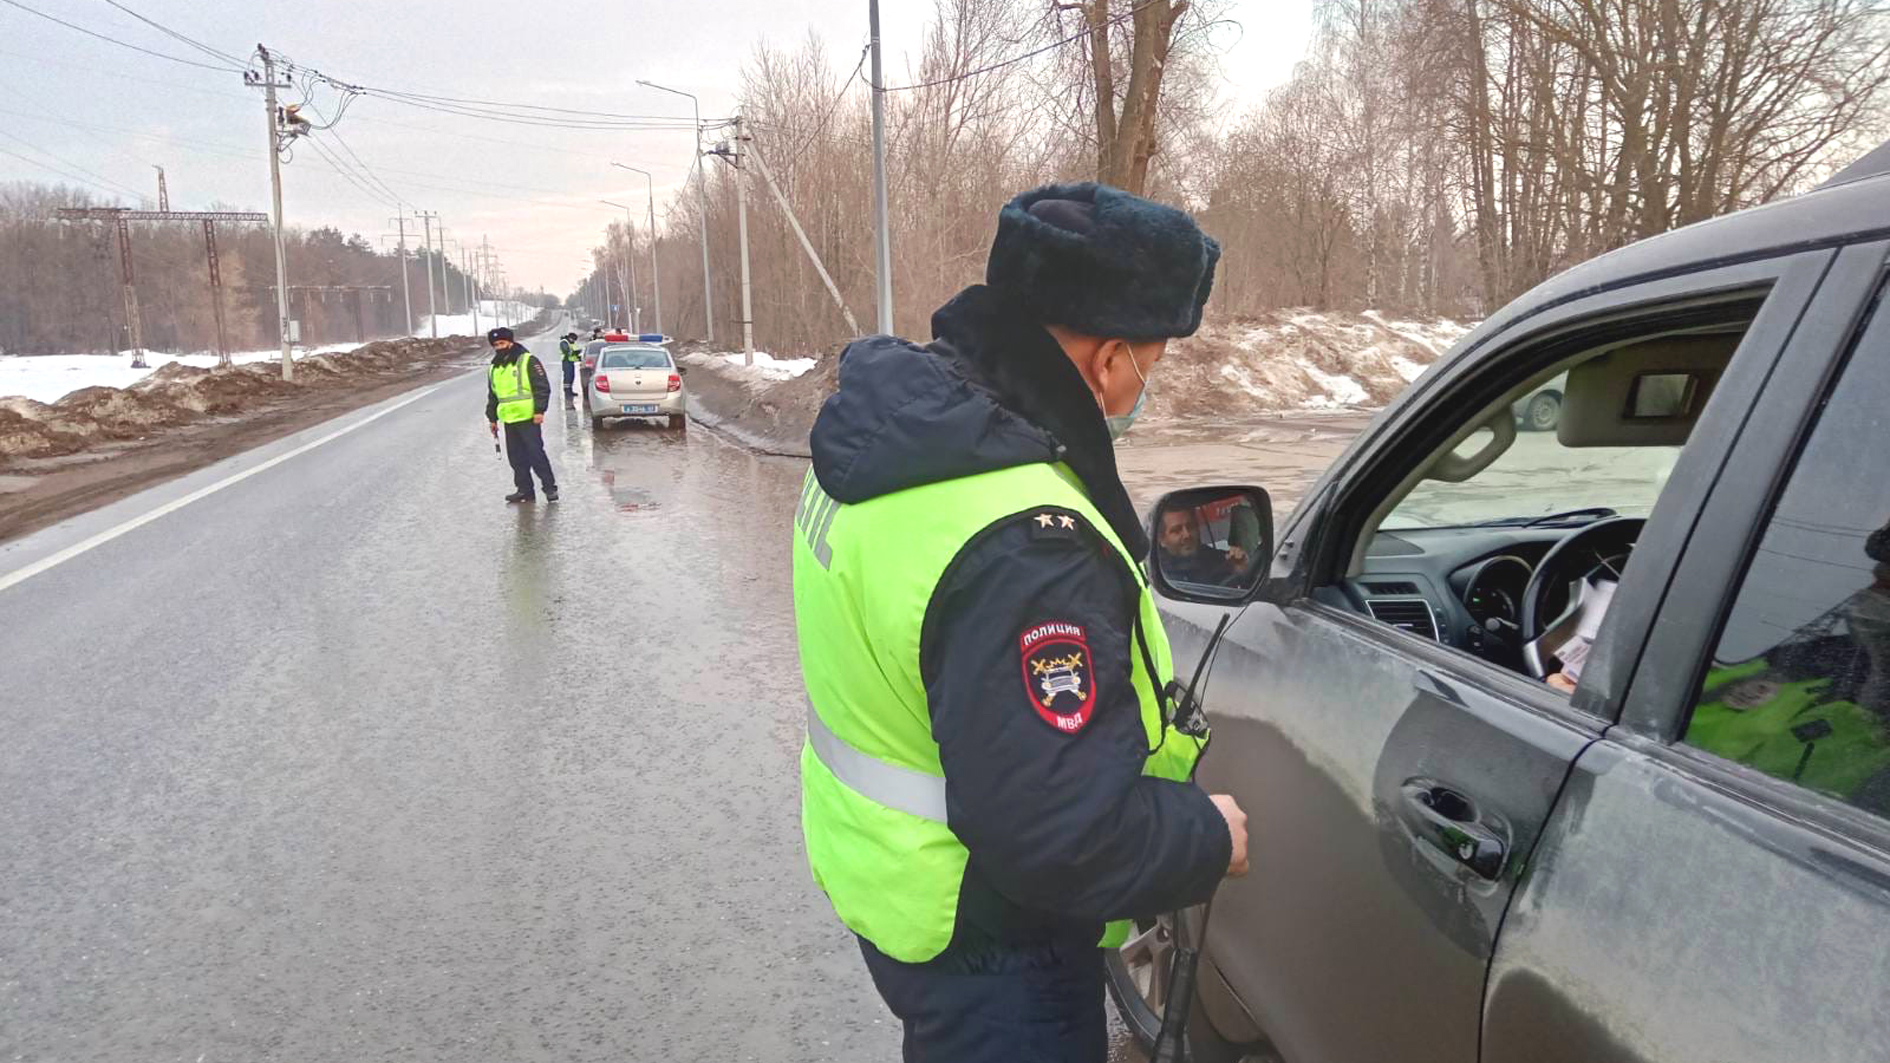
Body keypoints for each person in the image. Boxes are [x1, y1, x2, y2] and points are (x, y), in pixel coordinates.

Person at [793, 182, 1247, 1062]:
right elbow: (1058, 835)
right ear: (1109, 358)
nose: (1142, 386)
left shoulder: (896, 434)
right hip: (994, 940)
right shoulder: (1028, 542)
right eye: (1149, 363)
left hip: (896, 880)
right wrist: (1205, 834)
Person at [484, 326, 557, 503]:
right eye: (496, 345)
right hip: (509, 418)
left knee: (535, 455)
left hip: (528, 417)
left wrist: (539, 410)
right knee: (516, 458)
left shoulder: (527, 360)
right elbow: (493, 395)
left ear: (511, 342)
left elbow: (542, 387)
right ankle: (524, 490)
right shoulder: (494, 368)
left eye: (502, 343)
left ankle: (549, 488)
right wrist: (492, 418)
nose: (499, 347)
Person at [1156, 506, 1238, 586]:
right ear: (1161, 539)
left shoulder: (1214, 557)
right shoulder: (1161, 574)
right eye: (1176, 530)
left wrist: (1239, 568)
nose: (1187, 535)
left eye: (1190, 526)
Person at [557, 332, 583, 400]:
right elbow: (567, 351)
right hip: (566, 362)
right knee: (568, 377)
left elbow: (572, 353)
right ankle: (567, 391)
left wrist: (578, 357)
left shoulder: (570, 343)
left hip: (570, 362)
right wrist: (575, 352)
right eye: (573, 339)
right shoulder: (564, 342)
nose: (574, 341)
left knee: (571, 376)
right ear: (570, 338)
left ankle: (570, 390)